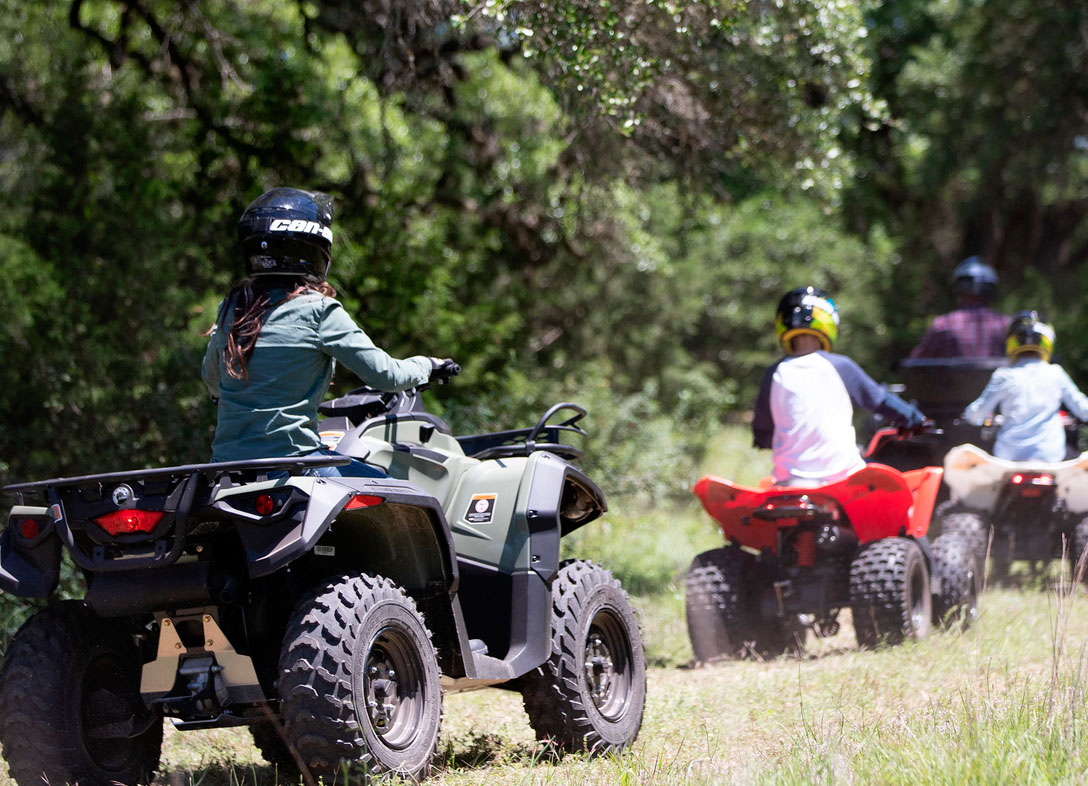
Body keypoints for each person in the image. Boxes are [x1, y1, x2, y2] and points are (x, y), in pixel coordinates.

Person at [202, 187, 453, 476]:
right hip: (295, 465)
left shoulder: (232, 309)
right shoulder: (319, 311)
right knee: (398, 491)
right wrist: (429, 365)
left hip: (225, 469)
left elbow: (211, 378)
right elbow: (388, 376)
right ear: (313, 249)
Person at [753, 286, 926, 486]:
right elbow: (881, 400)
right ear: (827, 321)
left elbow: (763, 433)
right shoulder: (841, 366)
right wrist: (915, 419)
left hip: (789, 481)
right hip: (842, 478)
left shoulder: (773, 372)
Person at [962, 310, 1088, 462]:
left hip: (1009, 457)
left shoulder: (1004, 375)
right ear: (1047, 341)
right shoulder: (1056, 373)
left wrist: (968, 415)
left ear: (1012, 342)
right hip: (1050, 456)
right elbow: (1084, 410)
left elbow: (975, 415)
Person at [911, 256, 1009, 358]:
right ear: (990, 290)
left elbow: (916, 363)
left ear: (959, 288)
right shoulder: (1007, 325)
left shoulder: (942, 325)